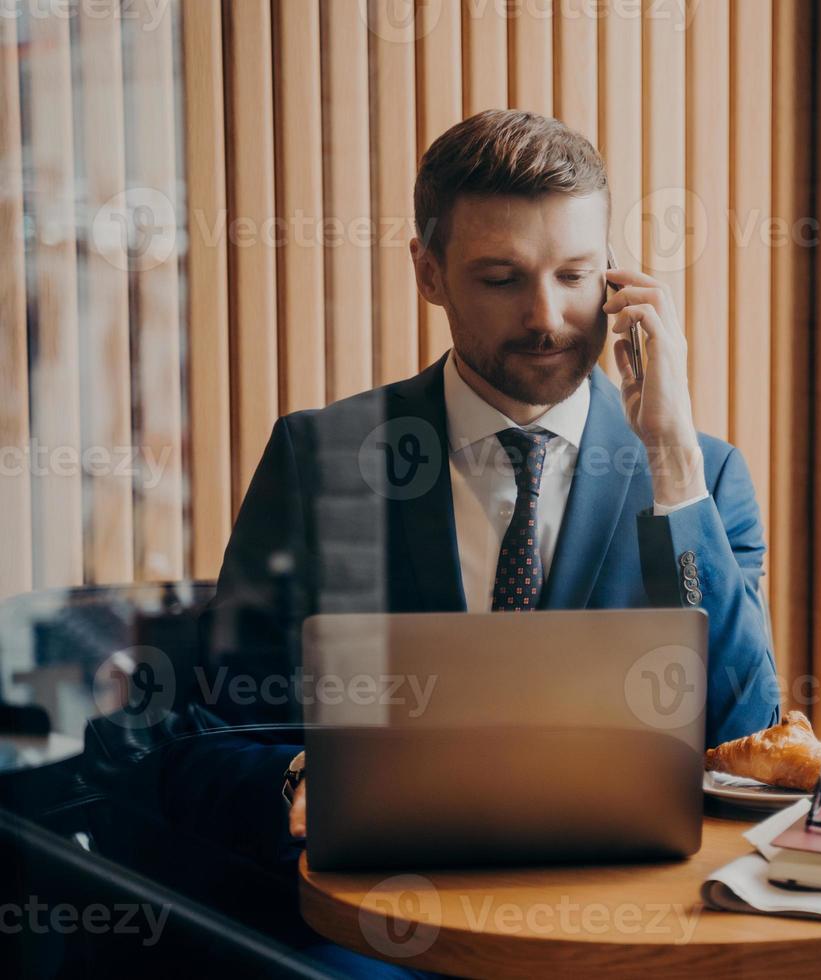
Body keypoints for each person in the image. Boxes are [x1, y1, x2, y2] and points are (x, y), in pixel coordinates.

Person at [156, 109, 781, 969]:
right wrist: (305, 783)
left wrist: (671, 460)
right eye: (501, 279)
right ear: (429, 271)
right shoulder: (322, 459)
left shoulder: (701, 478)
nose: (547, 317)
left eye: (575, 275)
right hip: (381, 934)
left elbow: (748, 739)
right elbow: (210, 742)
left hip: (624, 930)